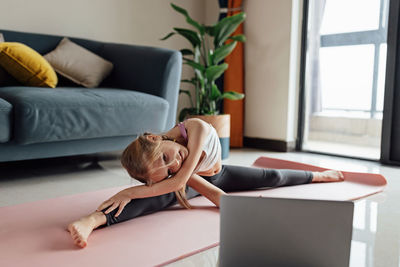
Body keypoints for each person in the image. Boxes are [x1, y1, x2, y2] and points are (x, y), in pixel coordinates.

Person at [67, 118, 344, 248]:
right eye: (164, 170)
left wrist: (131, 190)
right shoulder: (173, 174)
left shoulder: (195, 128)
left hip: (217, 174)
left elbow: (183, 178)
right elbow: (205, 191)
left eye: (166, 157)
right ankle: (91, 220)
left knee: (272, 177)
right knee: (149, 202)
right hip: (199, 182)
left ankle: (318, 175)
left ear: (154, 138)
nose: (172, 165)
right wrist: (140, 193)